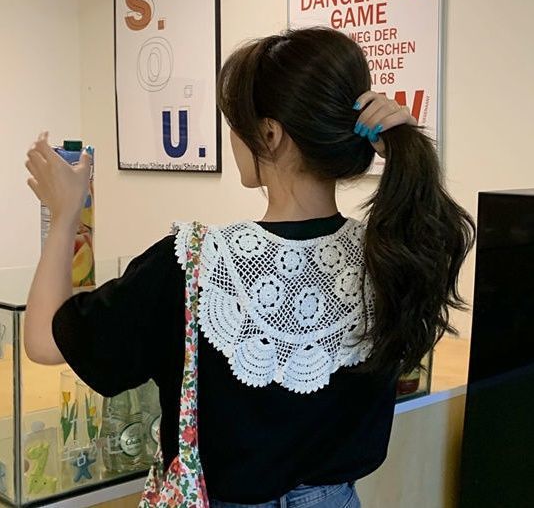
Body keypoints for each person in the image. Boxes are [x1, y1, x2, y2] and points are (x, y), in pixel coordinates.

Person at [23, 27, 475, 507]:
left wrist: (65, 213)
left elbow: (45, 341)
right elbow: (435, 230)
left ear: (270, 134)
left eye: (235, 123)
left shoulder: (193, 263)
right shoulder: (394, 259)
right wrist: (399, 144)